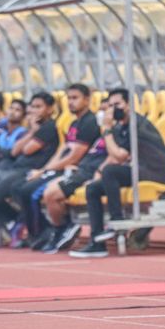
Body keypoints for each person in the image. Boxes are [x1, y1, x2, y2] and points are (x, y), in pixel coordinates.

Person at [69, 88, 165, 258]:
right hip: (135, 170)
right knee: (93, 189)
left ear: (129, 105)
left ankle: (117, 220)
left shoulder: (136, 124)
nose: (114, 109)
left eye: (118, 105)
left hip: (153, 171)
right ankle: (97, 242)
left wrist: (106, 130)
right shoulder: (121, 126)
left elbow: (121, 155)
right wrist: (97, 174)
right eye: (111, 105)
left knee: (111, 172)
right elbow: (112, 157)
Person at [15, 84, 100, 251]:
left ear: (87, 100)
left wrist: (46, 171)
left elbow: (75, 156)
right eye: (69, 98)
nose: (71, 102)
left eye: (75, 98)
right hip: (64, 167)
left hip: (78, 169)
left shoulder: (90, 122)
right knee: (22, 188)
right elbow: (63, 150)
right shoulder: (75, 123)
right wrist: (45, 169)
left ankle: (56, 228)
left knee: (31, 192)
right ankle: (47, 231)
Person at [0, 92, 59, 238]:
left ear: (50, 109)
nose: (34, 110)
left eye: (39, 107)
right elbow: (15, 150)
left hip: (28, 170)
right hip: (16, 168)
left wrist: (32, 130)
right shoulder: (35, 128)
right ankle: (15, 222)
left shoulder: (48, 127)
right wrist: (32, 130)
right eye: (32, 107)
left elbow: (25, 149)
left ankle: (27, 223)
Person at [42, 99, 110, 254]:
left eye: (106, 109)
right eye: (101, 109)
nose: (102, 113)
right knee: (47, 189)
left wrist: (99, 172)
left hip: (90, 173)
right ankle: (63, 227)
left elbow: (115, 156)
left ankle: (63, 228)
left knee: (51, 194)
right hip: (81, 169)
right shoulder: (102, 131)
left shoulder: (115, 131)